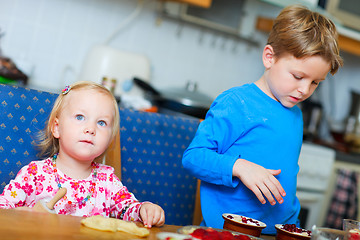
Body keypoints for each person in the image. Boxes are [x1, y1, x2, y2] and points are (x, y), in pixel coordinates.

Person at [182, 5, 343, 235]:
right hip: (228, 233)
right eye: (298, 76)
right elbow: (193, 157)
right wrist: (240, 167)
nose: (305, 90)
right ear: (269, 57)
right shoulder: (236, 103)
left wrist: (293, 227)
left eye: (315, 82)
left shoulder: (295, 114)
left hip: (278, 232)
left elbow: (287, 180)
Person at [0, 81, 165, 228]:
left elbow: (128, 209)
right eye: (80, 117)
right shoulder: (34, 174)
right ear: (57, 128)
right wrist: (25, 213)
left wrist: (144, 209)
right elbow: (3, 209)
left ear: (110, 139)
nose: (90, 129)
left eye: (101, 123)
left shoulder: (107, 181)